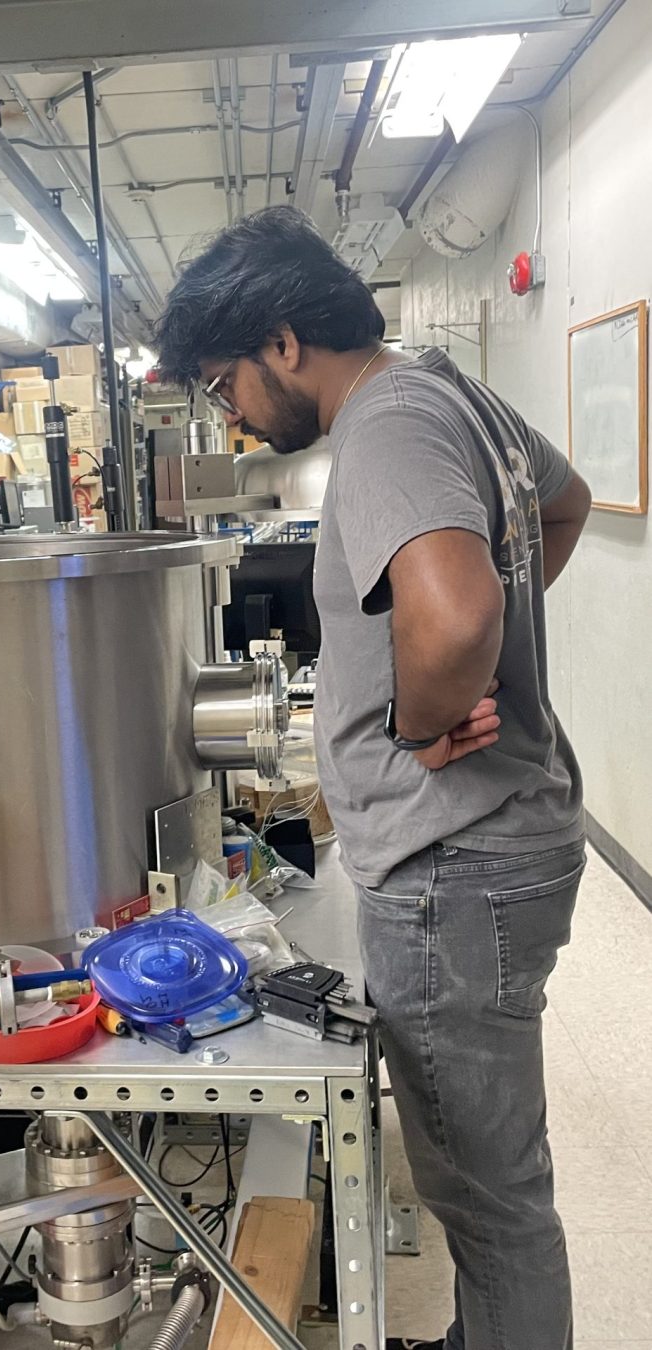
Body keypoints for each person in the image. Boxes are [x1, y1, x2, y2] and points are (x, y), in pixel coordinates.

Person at [156, 206, 591, 1350]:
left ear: (284, 341)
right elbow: (566, 503)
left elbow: (455, 619)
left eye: (227, 384)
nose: (233, 415)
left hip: (456, 860)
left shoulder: (387, 425)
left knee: (489, 1200)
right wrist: (481, 648)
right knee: (488, 1179)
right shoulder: (454, 394)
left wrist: (420, 713)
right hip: (499, 841)